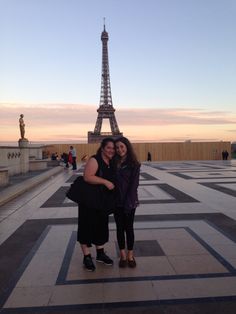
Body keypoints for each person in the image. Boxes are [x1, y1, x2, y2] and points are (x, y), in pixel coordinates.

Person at [77, 137, 116, 271]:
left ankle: (100, 253)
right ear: (103, 148)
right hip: (89, 200)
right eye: (108, 148)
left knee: (100, 226)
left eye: (113, 148)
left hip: (101, 201)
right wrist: (105, 182)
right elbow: (87, 177)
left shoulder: (111, 161)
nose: (111, 150)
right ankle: (87, 256)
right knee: (86, 227)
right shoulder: (95, 159)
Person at [114, 137, 140, 268]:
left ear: (127, 147)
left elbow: (134, 185)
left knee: (129, 228)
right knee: (120, 228)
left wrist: (128, 203)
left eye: (122, 147)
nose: (119, 150)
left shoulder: (134, 164)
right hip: (116, 201)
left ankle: (131, 254)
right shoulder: (113, 162)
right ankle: (123, 255)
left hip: (129, 201)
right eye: (117, 147)